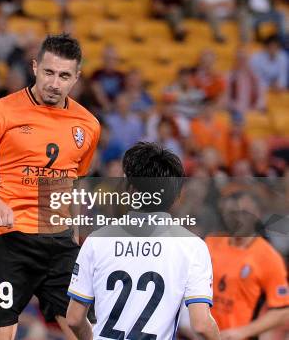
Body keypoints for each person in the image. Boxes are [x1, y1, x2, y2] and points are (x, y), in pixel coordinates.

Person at [0, 34, 101, 339]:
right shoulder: (1, 112)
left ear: (76, 78)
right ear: (34, 67)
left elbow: (76, 181)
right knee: (1, 334)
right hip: (8, 240)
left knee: (85, 329)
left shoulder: (88, 125)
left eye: (64, 76)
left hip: (59, 242)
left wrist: (78, 234)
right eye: (49, 72)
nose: (55, 83)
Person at [66, 142, 221, 340]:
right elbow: (202, 325)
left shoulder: (97, 240)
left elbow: (74, 319)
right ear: (175, 197)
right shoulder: (193, 246)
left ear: (129, 189)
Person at [205, 191, 289, 340]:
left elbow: (283, 310)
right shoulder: (210, 243)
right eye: (231, 213)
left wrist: (243, 332)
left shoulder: (268, 257)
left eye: (244, 213)